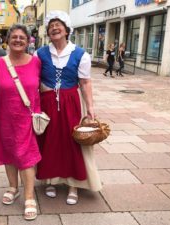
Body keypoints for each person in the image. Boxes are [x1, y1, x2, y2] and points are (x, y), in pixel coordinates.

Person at [36, 10, 102, 205]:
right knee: (49, 140)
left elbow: (85, 83)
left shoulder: (80, 54)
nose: (54, 28)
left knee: (71, 141)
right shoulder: (40, 53)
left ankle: (74, 184)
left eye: (58, 25)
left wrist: (90, 107)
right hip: (47, 102)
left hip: (71, 102)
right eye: (51, 26)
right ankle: (51, 180)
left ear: (66, 30)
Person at [0, 24, 41, 221]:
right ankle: (13, 187)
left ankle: (28, 196)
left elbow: (38, 90)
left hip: (27, 117)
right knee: (8, 152)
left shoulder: (36, 62)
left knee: (25, 155)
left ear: (28, 42)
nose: (18, 40)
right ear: (7, 40)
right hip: (3, 117)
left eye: (22, 38)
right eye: (14, 37)